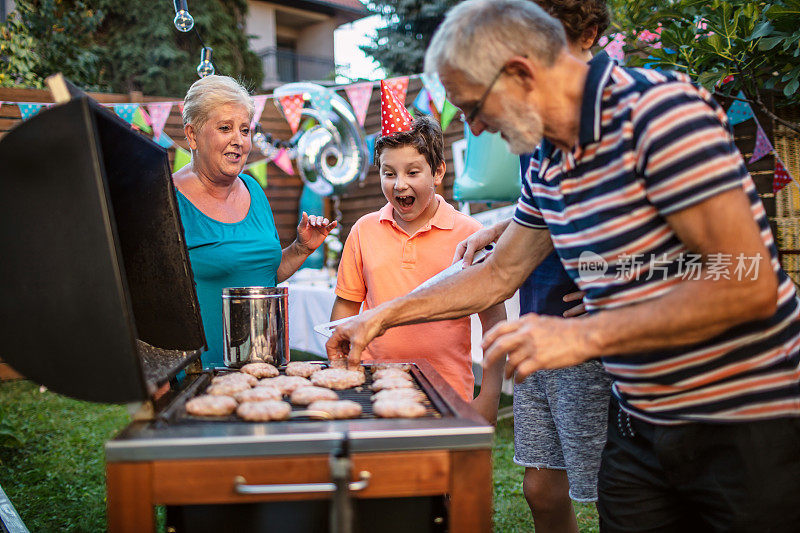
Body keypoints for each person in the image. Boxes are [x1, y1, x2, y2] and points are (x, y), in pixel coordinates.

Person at [326, 0, 800, 530]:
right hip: (640, 420)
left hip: (742, 420)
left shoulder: (659, 115)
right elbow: (497, 274)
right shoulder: (546, 156)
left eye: (474, 107)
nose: (475, 129)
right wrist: (378, 317)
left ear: (521, 72)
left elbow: (747, 281)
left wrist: (588, 336)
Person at [453, 1, 613, 530]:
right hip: (537, 316)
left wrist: (617, 283)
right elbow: (543, 207)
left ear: (589, 35)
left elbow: (711, 256)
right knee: (542, 487)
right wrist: (506, 227)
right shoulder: (530, 128)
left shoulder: (623, 117)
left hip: (594, 337)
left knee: (617, 489)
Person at [330, 83, 507, 422]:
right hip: (374, 386)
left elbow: (493, 320)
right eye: (388, 173)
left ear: (438, 171)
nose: (399, 185)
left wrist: (490, 392)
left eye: (413, 172)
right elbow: (345, 311)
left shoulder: (470, 234)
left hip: (449, 392)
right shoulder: (363, 231)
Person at [174, 75, 336, 368]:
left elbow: (263, 274)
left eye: (245, 129)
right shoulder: (168, 198)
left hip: (265, 368)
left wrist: (300, 249)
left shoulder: (254, 190)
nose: (239, 140)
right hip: (200, 375)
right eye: (225, 128)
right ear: (192, 134)